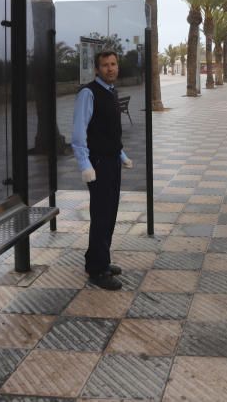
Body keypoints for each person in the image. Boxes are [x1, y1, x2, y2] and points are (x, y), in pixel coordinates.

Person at [71, 50, 133, 290]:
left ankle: (98, 259)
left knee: (110, 214)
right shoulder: (89, 93)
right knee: (101, 216)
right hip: (97, 165)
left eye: (113, 64)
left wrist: (122, 155)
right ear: (97, 69)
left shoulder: (110, 92)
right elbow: (78, 134)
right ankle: (98, 270)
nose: (110, 68)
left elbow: (109, 132)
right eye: (105, 65)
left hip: (112, 162)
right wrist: (85, 165)